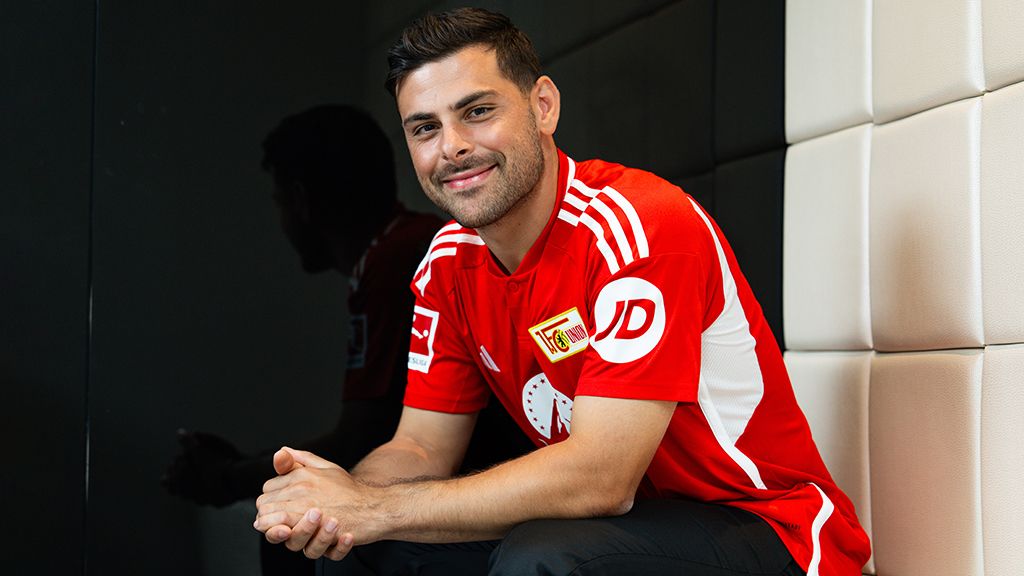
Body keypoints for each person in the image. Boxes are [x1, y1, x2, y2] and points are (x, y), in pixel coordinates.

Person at [253, 9, 872, 576]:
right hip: (621, 531)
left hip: (770, 531)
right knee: (357, 549)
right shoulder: (447, 264)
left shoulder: (640, 227)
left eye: (478, 111)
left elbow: (601, 478)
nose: (452, 146)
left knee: (544, 558)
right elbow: (419, 446)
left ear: (543, 106)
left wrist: (375, 509)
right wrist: (338, 503)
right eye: (424, 128)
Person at [163, 104, 530, 575]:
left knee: (302, 535)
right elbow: (402, 441)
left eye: (278, 200)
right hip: (457, 481)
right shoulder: (410, 247)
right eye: (426, 129)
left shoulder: (401, 260)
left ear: (300, 200)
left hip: (489, 492)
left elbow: (362, 436)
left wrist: (231, 476)